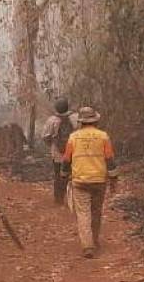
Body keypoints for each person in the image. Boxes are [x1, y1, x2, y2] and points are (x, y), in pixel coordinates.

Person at [61, 106, 117, 258]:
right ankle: (95, 239)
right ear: (96, 120)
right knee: (96, 211)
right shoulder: (103, 136)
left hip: (80, 181)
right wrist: (113, 179)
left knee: (83, 213)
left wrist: (64, 174)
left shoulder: (73, 137)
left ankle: (87, 245)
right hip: (99, 181)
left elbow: (66, 159)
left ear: (80, 122)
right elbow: (110, 159)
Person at [40, 98, 79, 205]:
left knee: (58, 175)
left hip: (58, 154)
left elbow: (45, 136)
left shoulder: (52, 120)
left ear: (56, 108)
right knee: (74, 175)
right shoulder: (76, 117)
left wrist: (53, 145)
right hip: (74, 153)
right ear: (67, 106)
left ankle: (59, 199)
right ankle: (75, 199)